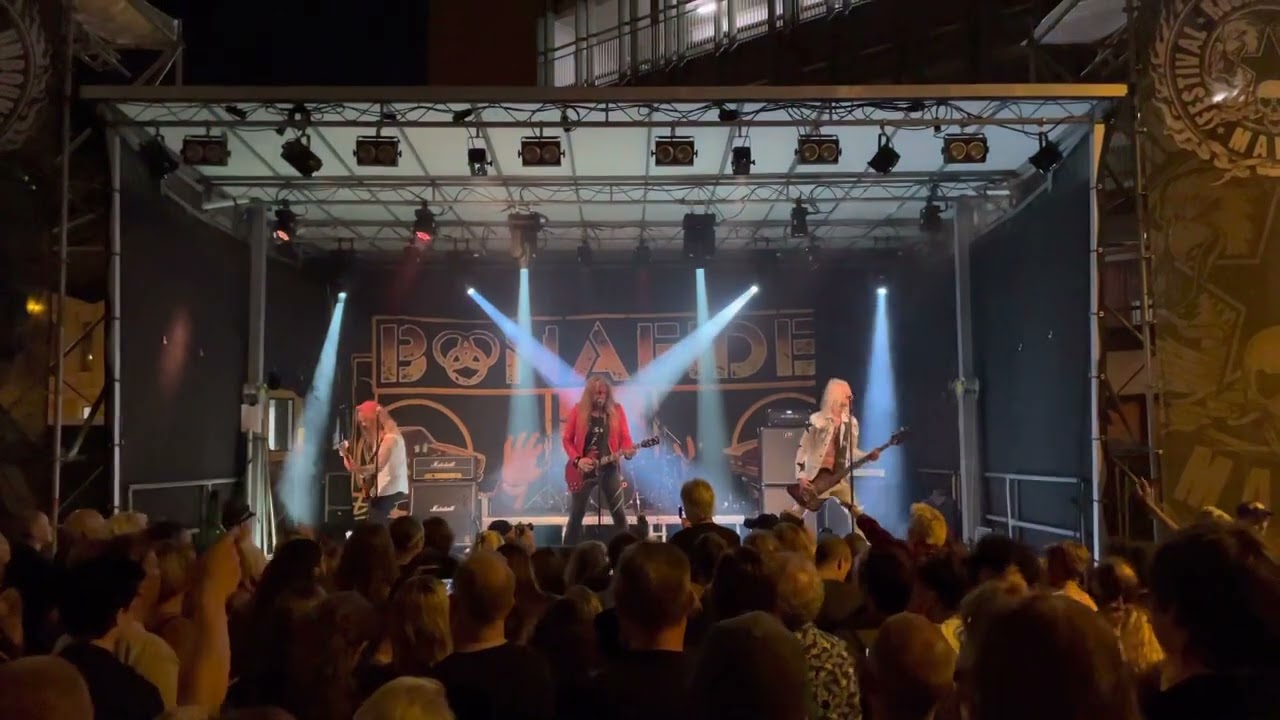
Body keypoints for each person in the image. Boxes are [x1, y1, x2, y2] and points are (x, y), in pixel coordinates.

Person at [560, 376, 637, 546]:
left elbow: (625, 437)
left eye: (603, 392)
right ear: (589, 394)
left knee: (619, 515)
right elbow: (567, 440)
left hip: (609, 468)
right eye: (596, 393)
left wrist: (629, 451)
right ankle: (567, 554)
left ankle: (627, 554)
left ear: (608, 393)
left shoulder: (616, 410)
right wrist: (578, 460)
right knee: (576, 515)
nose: (600, 396)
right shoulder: (578, 410)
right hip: (583, 471)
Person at [791, 378, 880, 520]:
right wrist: (801, 477)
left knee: (857, 515)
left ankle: (864, 540)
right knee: (796, 514)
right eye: (847, 396)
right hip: (816, 477)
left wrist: (868, 456)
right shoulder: (816, 420)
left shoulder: (851, 423)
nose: (851, 399)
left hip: (839, 477)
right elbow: (803, 449)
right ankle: (781, 538)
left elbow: (852, 451)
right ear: (836, 396)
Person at [341, 401, 409, 524]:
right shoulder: (381, 440)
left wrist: (359, 469)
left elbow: (379, 467)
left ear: (375, 420)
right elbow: (356, 469)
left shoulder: (390, 439)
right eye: (361, 421)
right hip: (383, 492)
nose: (363, 424)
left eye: (365, 420)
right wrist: (345, 454)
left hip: (391, 492)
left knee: (376, 529)